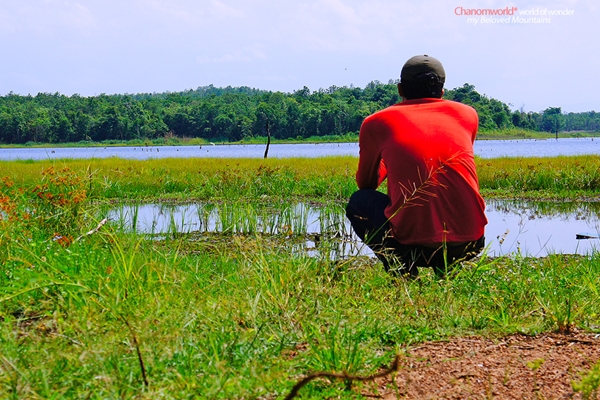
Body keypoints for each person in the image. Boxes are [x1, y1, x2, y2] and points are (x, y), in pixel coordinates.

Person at [346, 54, 487, 278]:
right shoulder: (468, 115)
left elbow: (367, 184)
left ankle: (404, 275)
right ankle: (447, 273)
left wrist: (387, 162)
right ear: (442, 91)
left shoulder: (376, 122)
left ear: (400, 89)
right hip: (471, 241)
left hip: (413, 245)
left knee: (359, 201)